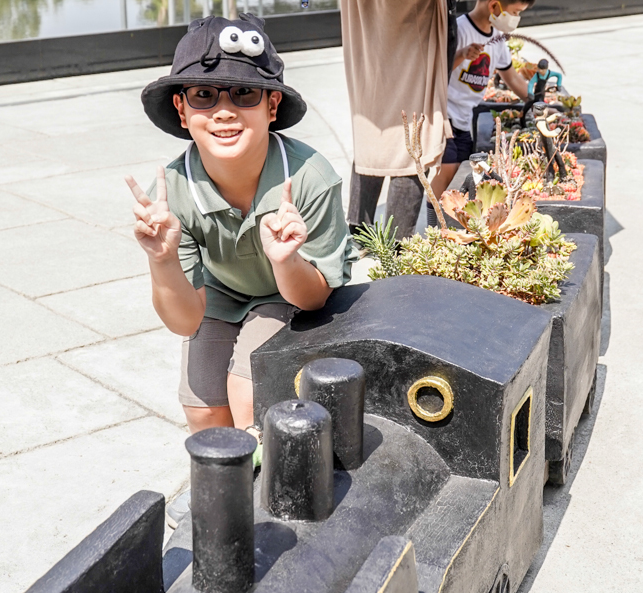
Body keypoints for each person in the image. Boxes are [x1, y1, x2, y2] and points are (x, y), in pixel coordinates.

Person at [126, 14, 354, 439]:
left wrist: (285, 261)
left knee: (248, 392)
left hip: (289, 291)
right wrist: (162, 260)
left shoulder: (309, 178)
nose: (224, 112)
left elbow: (316, 296)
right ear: (181, 109)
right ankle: (219, 491)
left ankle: (265, 485)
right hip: (219, 295)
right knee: (203, 410)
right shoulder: (177, 190)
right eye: (204, 95)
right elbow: (184, 319)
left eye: (245, 94)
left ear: (272, 106)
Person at [340, 0, 451, 240]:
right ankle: (395, 240)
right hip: (411, 35)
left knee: (374, 134)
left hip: (368, 30)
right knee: (408, 143)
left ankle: (360, 231)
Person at [428, 0, 536, 214]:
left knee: (463, 172)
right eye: (514, 12)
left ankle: (450, 221)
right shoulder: (459, 29)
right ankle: (432, 221)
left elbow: (512, 78)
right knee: (447, 170)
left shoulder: (497, 39)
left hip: (465, 119)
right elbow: (437, 67)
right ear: (494, 5)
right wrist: (462, 55)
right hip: (444, 113)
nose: (515, 18)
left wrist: (534, 101)